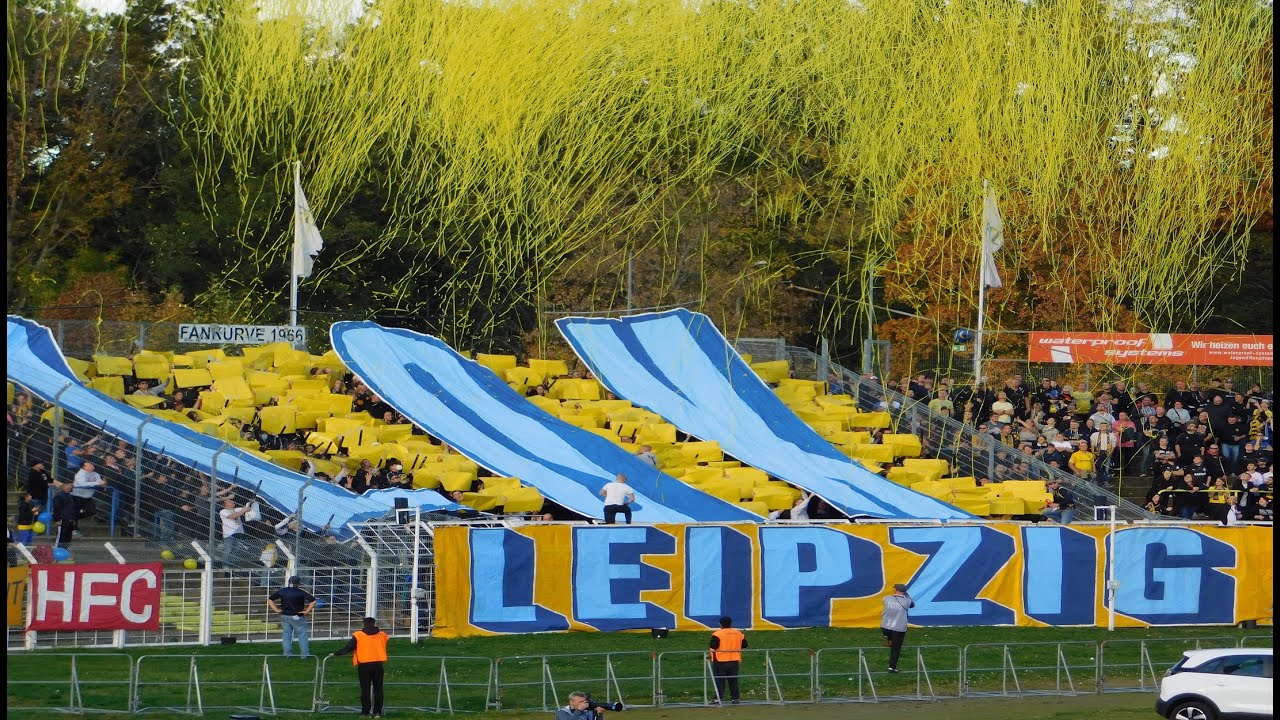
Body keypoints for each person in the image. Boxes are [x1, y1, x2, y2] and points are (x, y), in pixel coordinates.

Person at [332, 616, 389, 719]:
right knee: (378, 689)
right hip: (378, 664)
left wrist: (337, 653)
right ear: (374, 623)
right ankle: (377, 712)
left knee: (365, 689)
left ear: (364, 624)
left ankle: (365, 712)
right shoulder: (382, 634)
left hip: (364, 664)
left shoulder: (358, 635)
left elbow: (349, 647)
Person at [267, 575, 317, 658]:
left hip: (285, 615)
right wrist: (306, 611)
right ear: (298, 583)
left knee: (286, 635)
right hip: (298, 616)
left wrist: (276, 609)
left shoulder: (283, 591)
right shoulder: (301, 592)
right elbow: (313, 601)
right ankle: (304, 655)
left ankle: (287, 654)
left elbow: (270, 599)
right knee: (302, 635)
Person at [708, 615, 747, 704]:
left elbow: (713, 646)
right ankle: (735, 698)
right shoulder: (738, 633)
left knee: (719, 680)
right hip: (734, 660)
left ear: (720, 624)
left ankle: (718, 698)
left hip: (720, 660)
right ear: (730, 623)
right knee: (733, 680)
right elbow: (745, 644)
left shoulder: (717, 634)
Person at [880, 583, 914, 673]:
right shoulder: (906, 601)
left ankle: (887, 637)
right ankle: (892, 667)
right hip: (898, 628)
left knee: (889, 636)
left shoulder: (886, 598)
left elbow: (886, 602)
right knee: (896, 648)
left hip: (885, 626)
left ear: (895, 590)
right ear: (904, 592)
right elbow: (912, 605)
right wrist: (906, 595)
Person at [219, 498, 250, 567]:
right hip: (229, 534)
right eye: (229, 501)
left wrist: (250, 503)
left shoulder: (236, 509)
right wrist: (243, 511)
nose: (232, 501)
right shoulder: (223, 511)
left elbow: (248, 509)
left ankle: (232, 566)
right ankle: (224, 566)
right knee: (229, 549)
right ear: (225, 504)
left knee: (235, 550)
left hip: (238, 533)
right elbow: (233, 516)